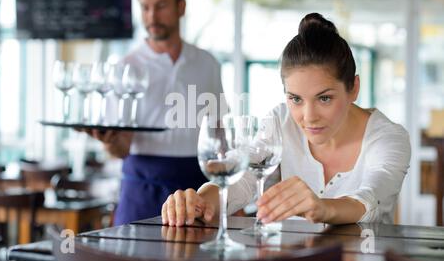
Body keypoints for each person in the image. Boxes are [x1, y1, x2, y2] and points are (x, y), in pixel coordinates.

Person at [161, 13, 411, 226]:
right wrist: (200, 201)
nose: (308, 117)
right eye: (296, 99)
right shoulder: (280, 121)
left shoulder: (389, 137)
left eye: (324, 99)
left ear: (353, 88)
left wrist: (323, 208)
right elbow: (244, 178)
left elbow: (371, 197)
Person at [84, 0, 225, 225]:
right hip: (142, 189)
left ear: (181, 7)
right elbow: (121, 148)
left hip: (198, 189)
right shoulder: (125, 69)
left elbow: (220, 133)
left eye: (160, 6)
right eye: (145, 7)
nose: (152, 16)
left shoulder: (208, 64)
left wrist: (229, 193)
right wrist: (107, 142)